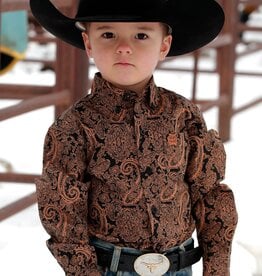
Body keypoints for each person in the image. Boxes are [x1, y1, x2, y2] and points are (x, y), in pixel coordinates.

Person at [30, 0, 238, 275]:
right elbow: (63, 213)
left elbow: (209, 193)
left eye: (141, 35)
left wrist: (217, 269)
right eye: (108, 34)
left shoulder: (183, 115)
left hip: (178, 266)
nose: (124, 47)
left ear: (164, 45)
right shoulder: (73, 127)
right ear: (88, 43)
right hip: (109, 268)